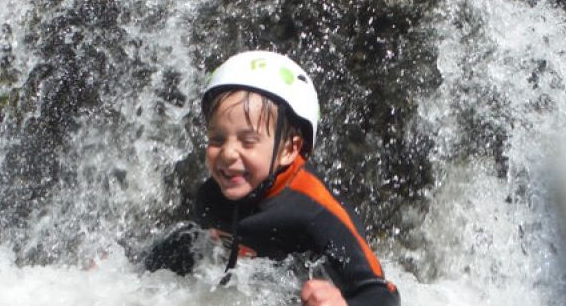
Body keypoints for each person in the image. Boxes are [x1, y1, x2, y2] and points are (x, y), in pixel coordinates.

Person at [146, 51, 400, 306]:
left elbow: (382, 294)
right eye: (217, 139)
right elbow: (186, 249)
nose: (227, 153)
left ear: (289, 149)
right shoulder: (211, 197)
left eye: (248, 141)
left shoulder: (317, 212)